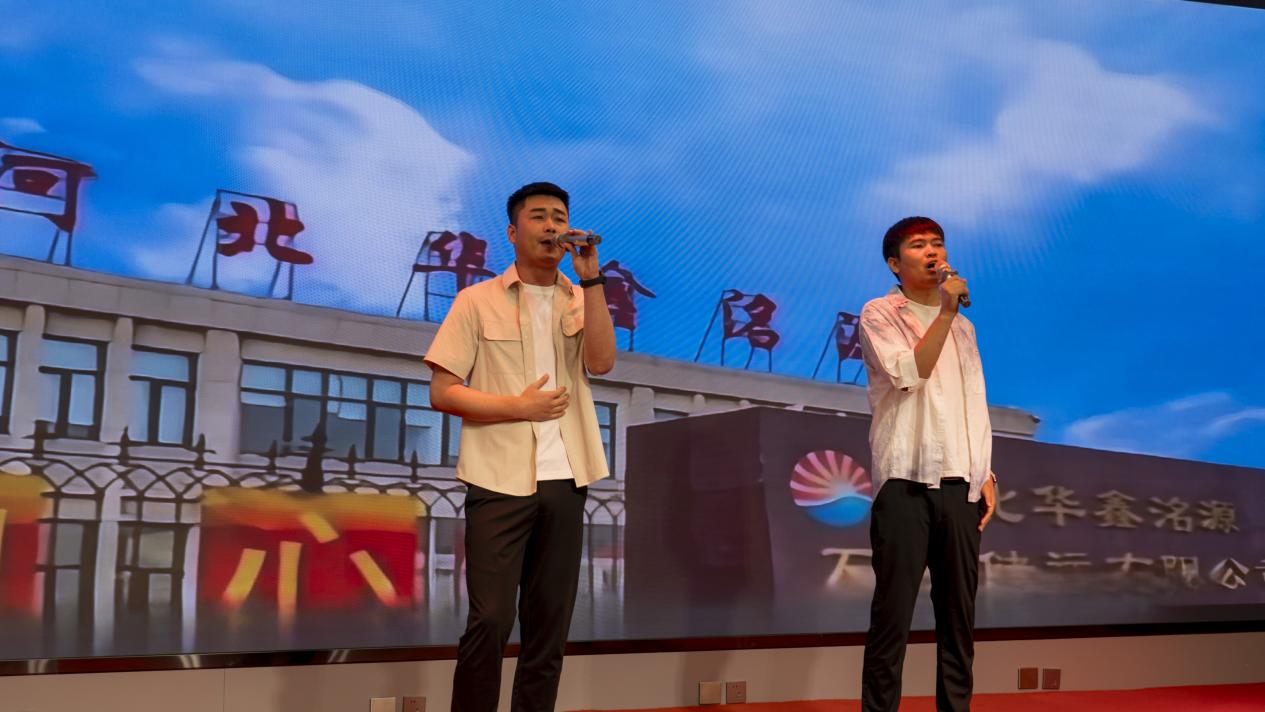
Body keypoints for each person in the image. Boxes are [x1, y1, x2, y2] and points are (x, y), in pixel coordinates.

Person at [425, 182, 617, 712]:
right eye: (539, 216)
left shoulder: (580, 297)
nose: (552, 226)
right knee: (489, 619)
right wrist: (519, 407)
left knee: (548, 623)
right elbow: (443, 391)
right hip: (497, 478)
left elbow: (602, 363)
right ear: (513, 232)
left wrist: (592, 279)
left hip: (566, 477)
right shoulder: (475, 300)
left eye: (560, 216)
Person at [858, 216, 999, 712]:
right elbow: (910, 374)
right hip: (905, 482)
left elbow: (971, 403)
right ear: (895, 264)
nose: (932, 251)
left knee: (959, 620)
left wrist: (985, 472)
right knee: (892, 618)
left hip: (962, 486)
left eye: (938, 243)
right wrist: (944, 312)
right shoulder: (879, 313)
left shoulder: (965, 327)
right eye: (918, 245)